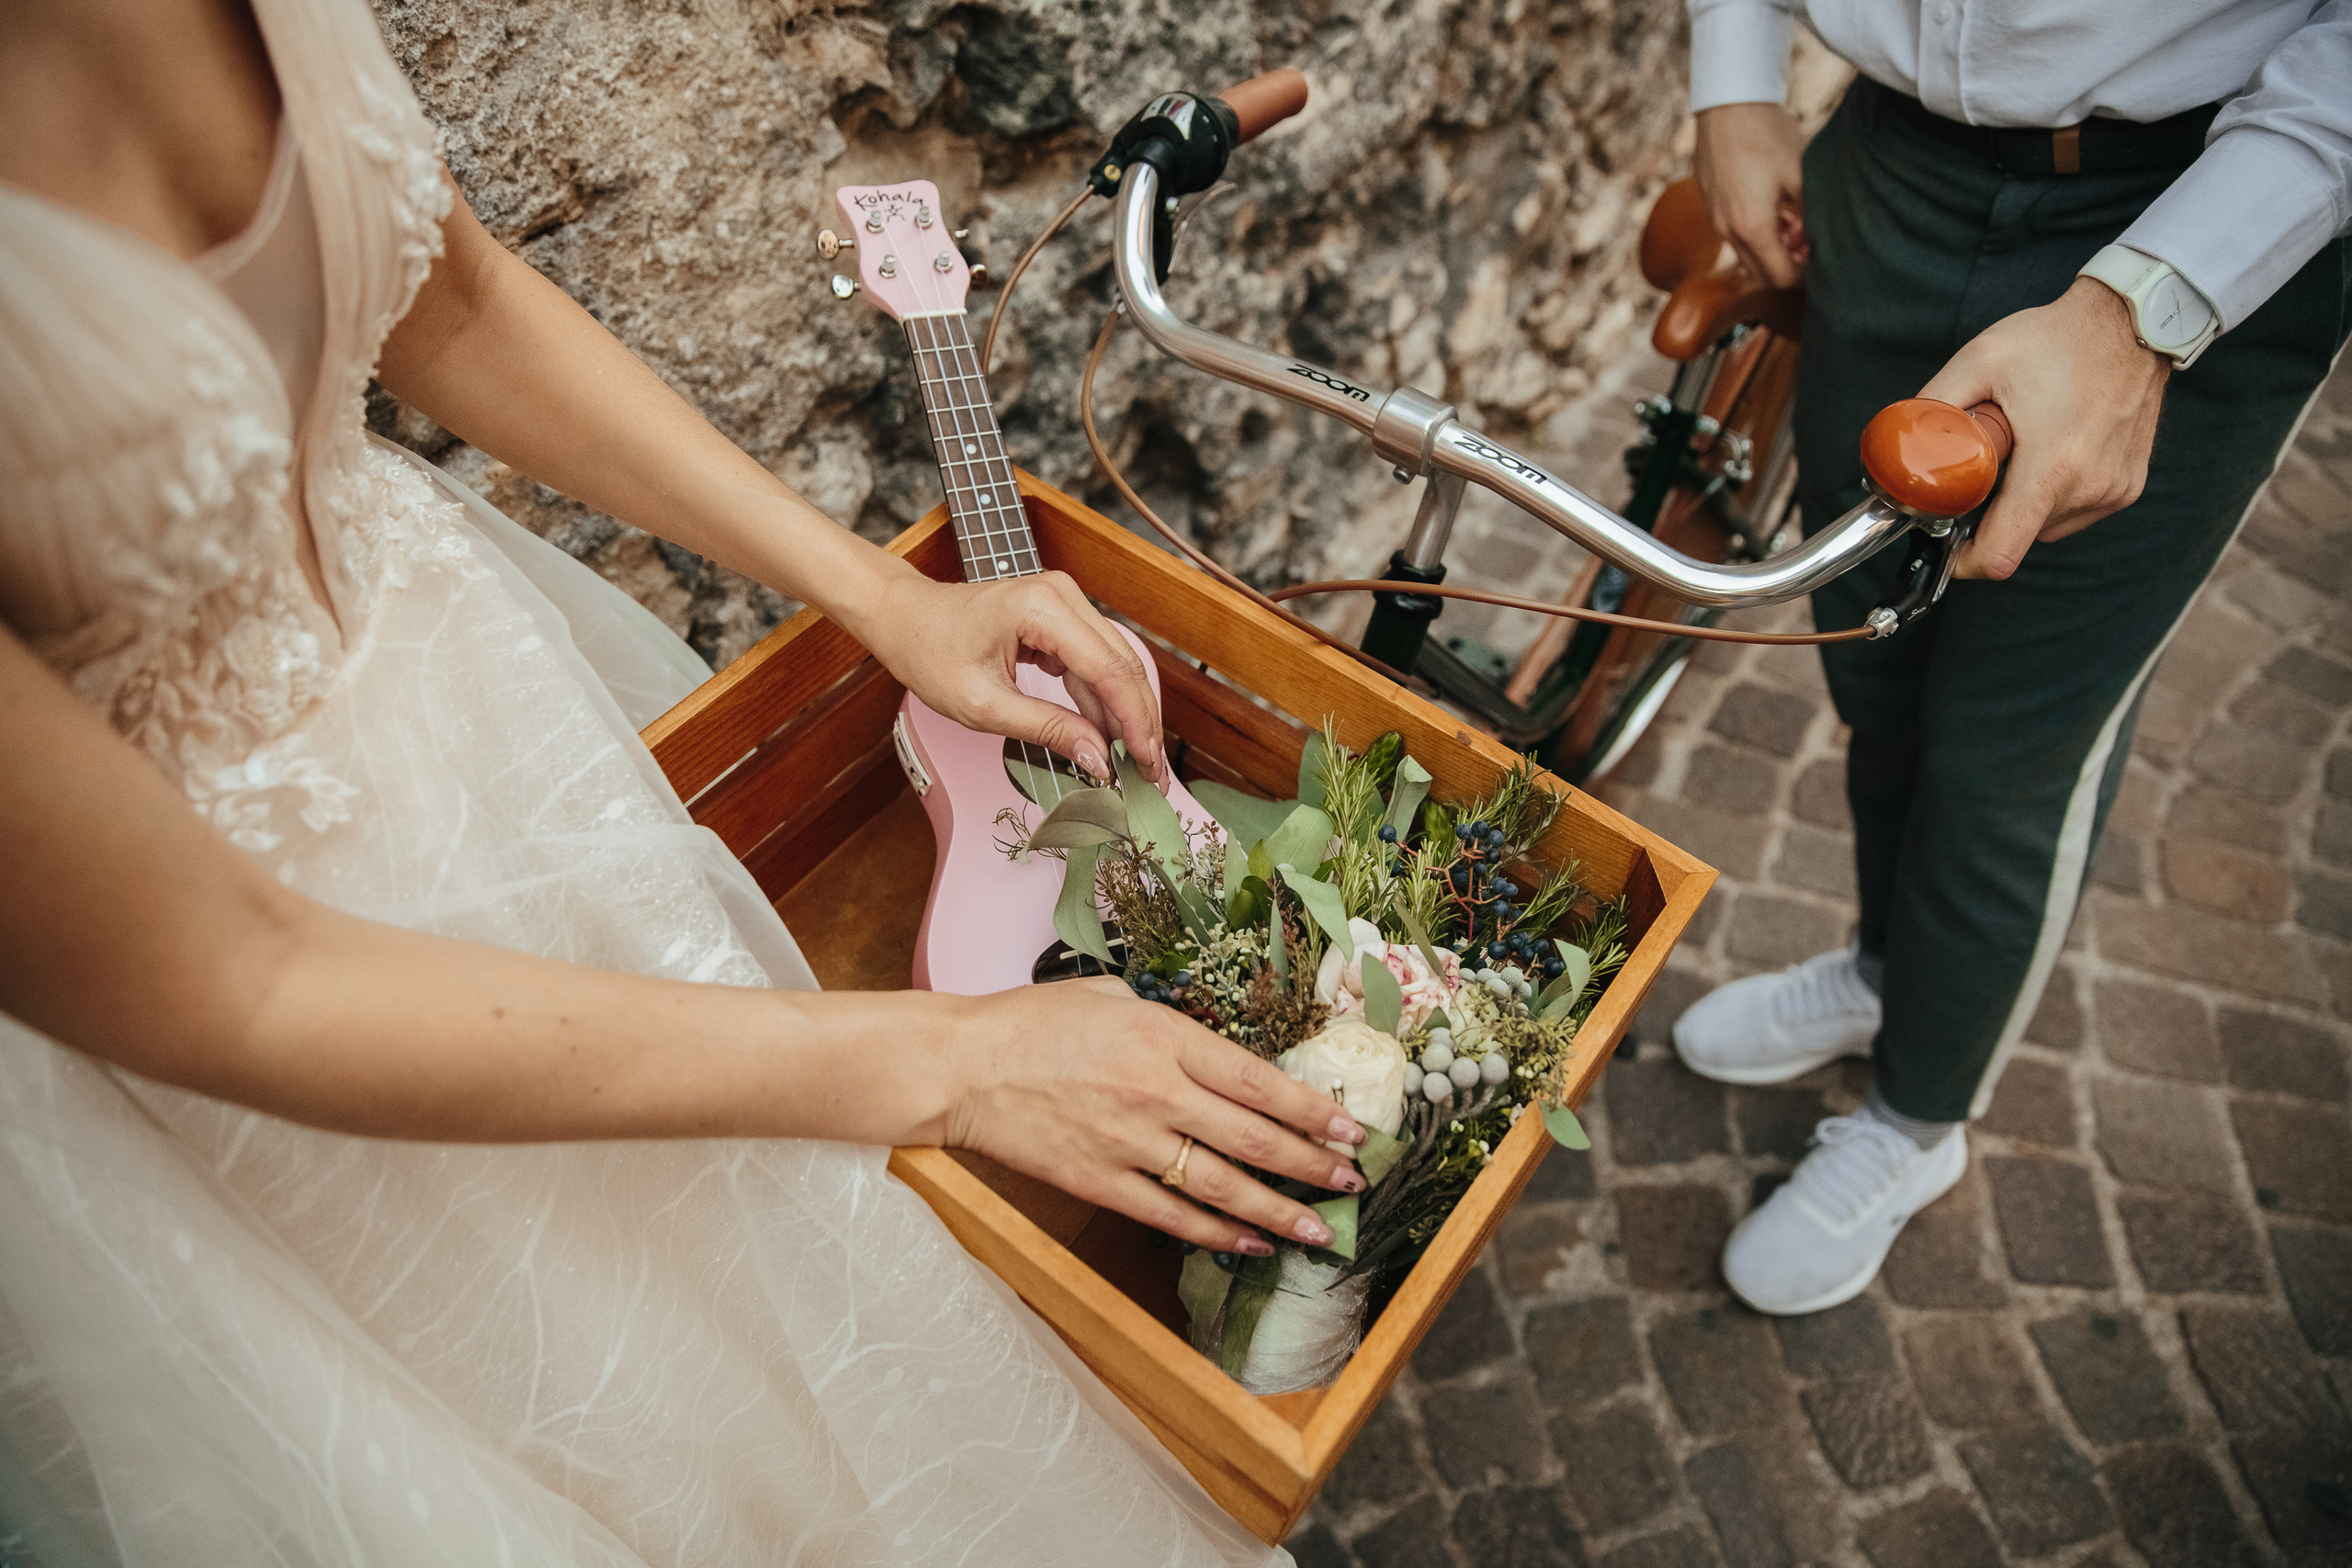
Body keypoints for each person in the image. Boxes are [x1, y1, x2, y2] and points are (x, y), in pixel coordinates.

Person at [0, 0, 1358, 1559]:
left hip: (508, 744)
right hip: (253, 1007)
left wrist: (884, 594)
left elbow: (450, 300)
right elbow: (234, 982)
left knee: (835, 1360)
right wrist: (954, 1062)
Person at [1669, 0, 2351, 1314]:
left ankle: (1918, 1121)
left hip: (2194, 193)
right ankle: (1884, 972)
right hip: (1888, 166)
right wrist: (1735, 79)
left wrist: (2143, 314)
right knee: (1871, 663)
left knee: (2011, 749)